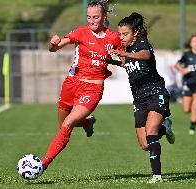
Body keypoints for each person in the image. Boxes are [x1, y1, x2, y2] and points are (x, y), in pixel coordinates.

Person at [40, 0, 122, 175]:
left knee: (68, 123)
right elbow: (53, 49)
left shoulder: (113, 37)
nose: (91, 21)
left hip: (92, 89)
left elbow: (125, 59)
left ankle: (42, 165)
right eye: (89, 17)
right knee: (63, 124)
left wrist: (124, 58)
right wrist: (53, 43)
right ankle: (87, 121)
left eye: (96, 17)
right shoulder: (81, 32)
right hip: (71, 84)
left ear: (104, 17)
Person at [109, 12, 175, 183]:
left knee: (151, 132)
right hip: (139, 99)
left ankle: (157, 176)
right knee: (146, 144)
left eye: (125, 34)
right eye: (120, 34)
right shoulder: (127, 50)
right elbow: (126, 64)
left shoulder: (142, 44)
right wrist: (110, 61)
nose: (121, 38)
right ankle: (165, 127)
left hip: (155, 93)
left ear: (135, 32)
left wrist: (123, 54)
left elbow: (145, 56)